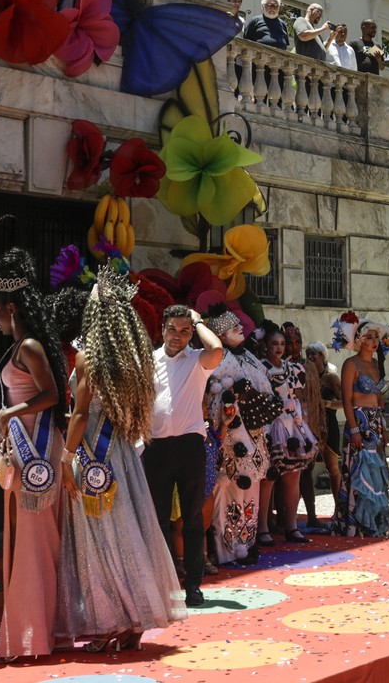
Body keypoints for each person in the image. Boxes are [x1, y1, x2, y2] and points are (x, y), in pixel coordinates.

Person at [57, 270, 185, 651]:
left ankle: (114, 620)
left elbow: (80, 414)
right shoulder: (135, 358)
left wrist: (65, 459)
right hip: (124, 457)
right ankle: (134, 620)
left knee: (99, 542)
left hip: (95, 456)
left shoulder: (88, 358)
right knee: (131, 535)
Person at [0, 249, 68, 661]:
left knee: (37, 539)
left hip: (39, 449)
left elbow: (51, 395)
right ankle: (33, 627)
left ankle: (39, 629)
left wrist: (4, 412)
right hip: (22, 445)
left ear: (11, 307)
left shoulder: (30, 345)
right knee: (25, 538)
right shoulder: (17, 346)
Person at [146, 304, 223, 605]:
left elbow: (216, 348)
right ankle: (164, 582)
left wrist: (197, 319)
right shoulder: (149, 360)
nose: (177, 336)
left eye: (184, 331)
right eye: (172, 329)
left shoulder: (197, 360)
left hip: (190, 445)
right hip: (156, 447)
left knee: (192, 519)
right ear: (162, 328)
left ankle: (193, 584)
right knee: (158, 518)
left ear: (192, 332)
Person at [207, 311, 271, 564]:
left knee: (250, 492)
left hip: (254, 437)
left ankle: (247, 542)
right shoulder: (218, 360)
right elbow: (213, 397)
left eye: (238, 325)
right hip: (229, 438)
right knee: (227, 491)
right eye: (232, 327)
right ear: (220, 335)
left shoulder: (250, 358)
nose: (239, 329)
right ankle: (227, 549)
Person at [261, 327, 317, 543]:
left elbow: (296, 394)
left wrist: (299, 418)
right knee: (268, 477)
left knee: (293, 475)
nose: (279, 348)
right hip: (269, 424)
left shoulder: (292, 368)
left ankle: (292, 526)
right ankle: (263, 528)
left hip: (291, 424)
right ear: (265, 345)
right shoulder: (260, 368)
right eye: (275, 344)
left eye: (282, 344)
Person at [339, 322, 389, 536]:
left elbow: (379, 400)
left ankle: (374, 526)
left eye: (375, 338)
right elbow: (346, 398)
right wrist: (353, 429)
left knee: (376, 472)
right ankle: (355, 526)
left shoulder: (377, 364)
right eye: (368, 337)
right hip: (359, 422)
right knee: (359, 471)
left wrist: (384, 427)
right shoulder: (351, 364)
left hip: (375, 423)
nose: (373, 342)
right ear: (359, 340)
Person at [301, 340, 341, 529]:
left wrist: (326, 404)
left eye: (313, 354)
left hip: (329, 425)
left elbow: (344, 402)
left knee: (333, 469)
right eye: (308, 353)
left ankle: (340, 511)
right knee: (306, 470)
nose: (310, 357)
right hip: (310, 426)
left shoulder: (331, 378)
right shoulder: (304, 376)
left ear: (323, 357)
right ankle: (311, 515)